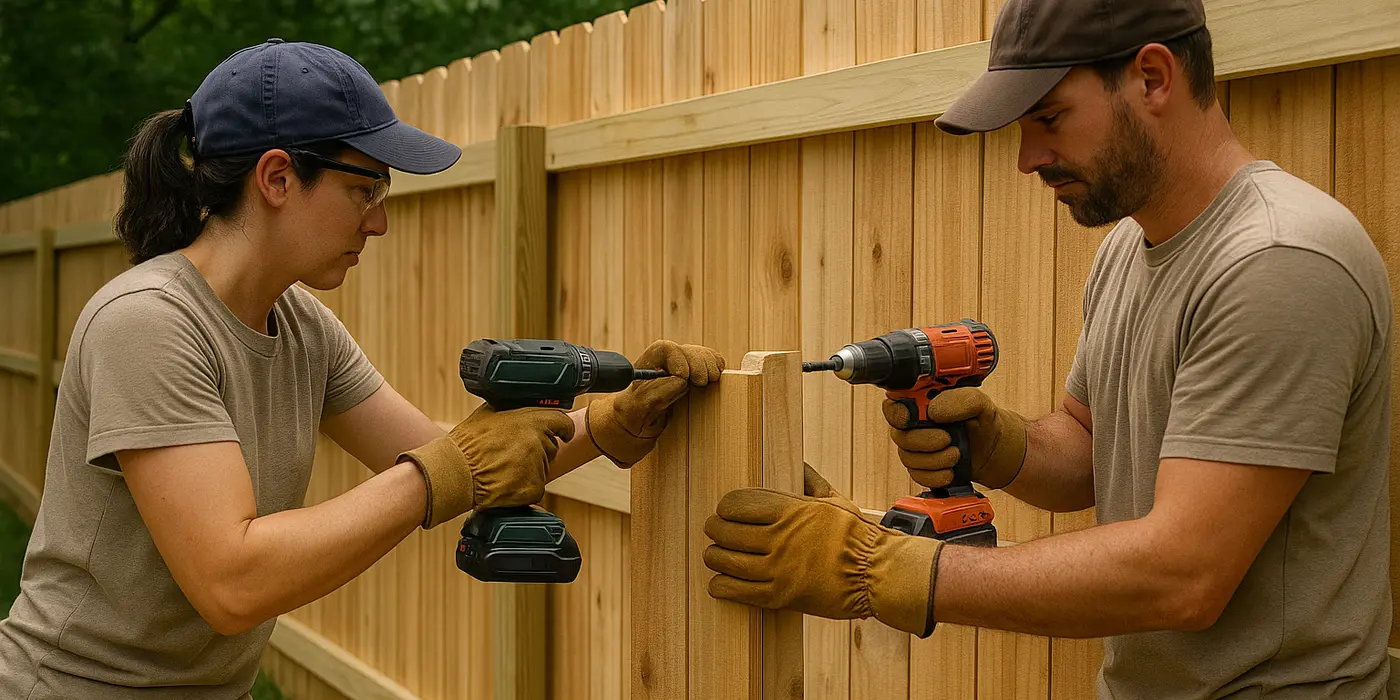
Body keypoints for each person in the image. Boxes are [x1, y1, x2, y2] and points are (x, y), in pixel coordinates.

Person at [701, 0, 1393, 697]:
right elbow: (1092, 447)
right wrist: (1003, 443)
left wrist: (883, 568)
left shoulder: (1278, 260)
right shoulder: (1132, 245)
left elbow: (1186, 575)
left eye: (1049, 118)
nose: (1029, 157)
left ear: (1153, 78)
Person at [0, 39, 723, 699]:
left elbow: (441, 454)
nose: (378, 221)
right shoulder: (149, 323)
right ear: (278, 177)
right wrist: (446, 469)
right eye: (364, 190)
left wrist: (607, 423)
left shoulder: (300, 324)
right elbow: (232, 581)